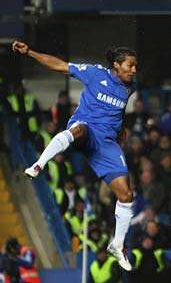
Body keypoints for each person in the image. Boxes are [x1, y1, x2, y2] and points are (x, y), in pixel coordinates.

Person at [12, 41, 136, 270]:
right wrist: (29, 52)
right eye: (130, 65)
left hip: (106, 144)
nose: (134, 70)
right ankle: (39, 164)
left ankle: (117, 244)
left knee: (126, 194)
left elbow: (116, 112)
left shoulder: (130, 88)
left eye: (135, 66)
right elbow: (59, 65)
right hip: (86, 131)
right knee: (78, 128)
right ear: (116, 65)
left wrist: (121, 131)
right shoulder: (94, 73)